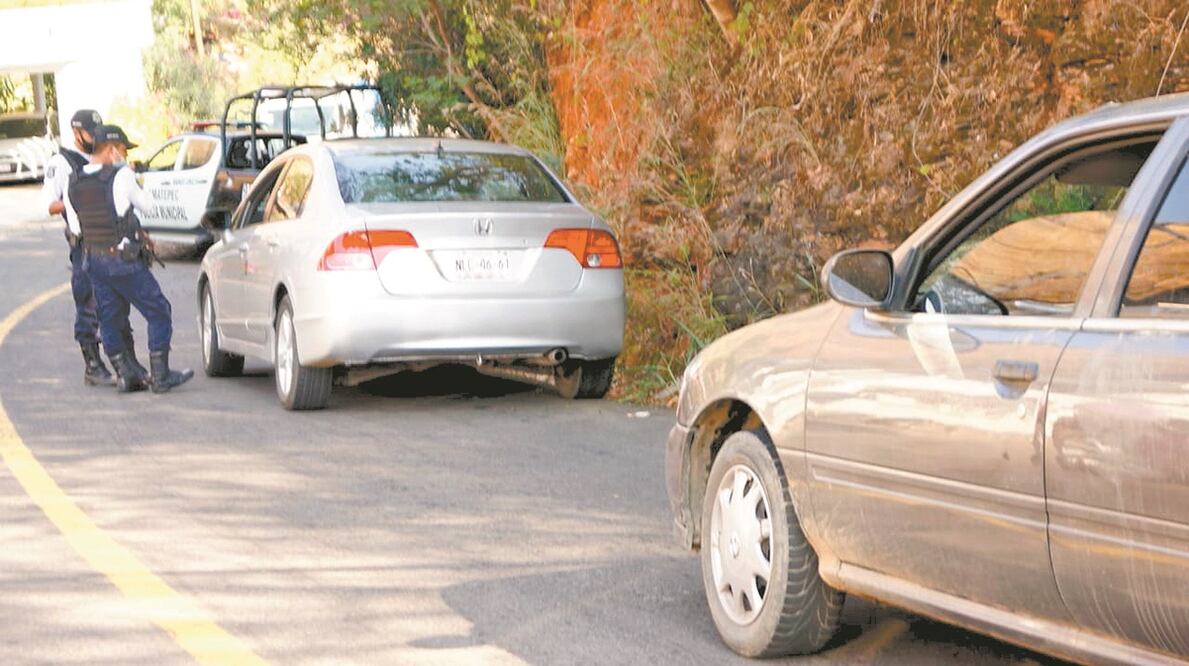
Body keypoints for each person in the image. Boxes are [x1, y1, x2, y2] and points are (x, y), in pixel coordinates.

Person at [64, 124, 193, 394]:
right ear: (111, 150)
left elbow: (76, 228)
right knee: (158, 311)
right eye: (122, 150)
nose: (124, 156)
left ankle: (125, 374)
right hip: (123, 261)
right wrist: (136, 180)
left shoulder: (73, 180)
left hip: (93, 262)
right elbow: (147, 205)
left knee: (109, 319)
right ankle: (160, 375)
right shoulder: (121, 176)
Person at [41, 109, 144, 387]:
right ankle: (93, 364)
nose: (93, 136)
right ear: (76, 133)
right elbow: (51, 205)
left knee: (117, 303)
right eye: (89, 131)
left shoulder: (104, 158)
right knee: (89, 304)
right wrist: (86, 199)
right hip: (84, 244)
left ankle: (129, 363)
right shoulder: (62, 163)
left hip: (111, 242)